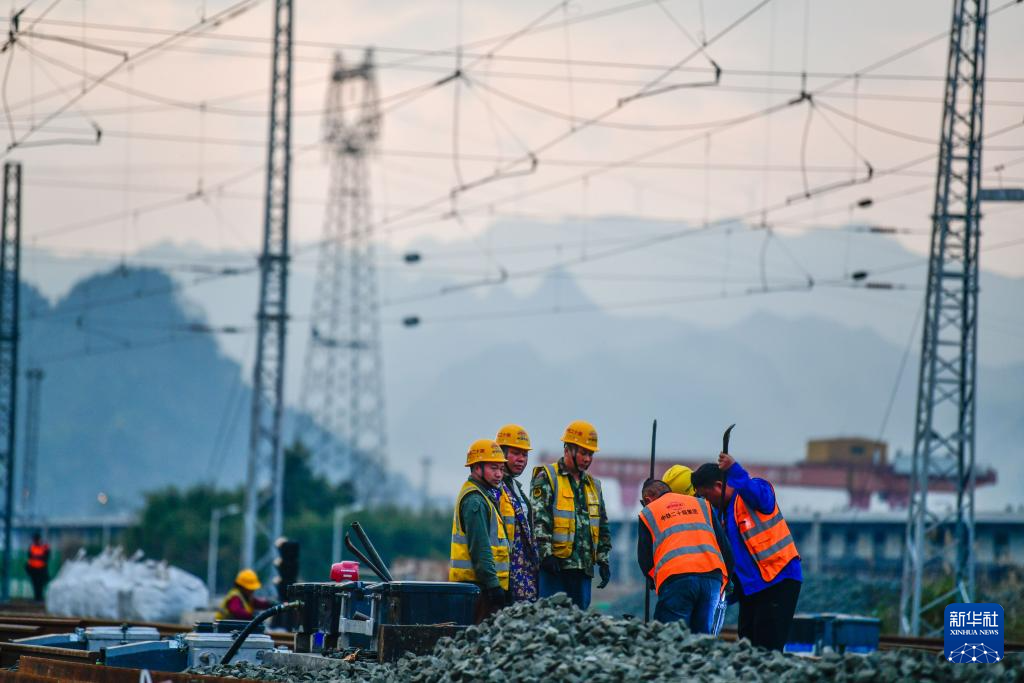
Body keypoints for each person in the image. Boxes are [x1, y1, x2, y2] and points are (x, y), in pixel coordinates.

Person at [692, 452, 802, 651]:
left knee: (767, 645)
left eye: (707, 495)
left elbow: (759, 495)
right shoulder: (720, 514)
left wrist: (734, 469)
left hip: (778, 578)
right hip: (751, 588)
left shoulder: (753, 493)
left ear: (719, 485)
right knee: (748, 644)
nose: (706, 501)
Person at [531, 420, 612, 609]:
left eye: (590, 454)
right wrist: (546, 555)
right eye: (583, 453)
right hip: (555, 569)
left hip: (583, 569)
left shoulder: (594, 485)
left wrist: (603, 559)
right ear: (567, 449)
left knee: (579, 619)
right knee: (551, 618)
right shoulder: (547, 477)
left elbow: (602, 525)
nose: (587, 459)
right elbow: (539, 519)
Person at [637, 479, 732, 632]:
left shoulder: (648, 512)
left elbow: (645, 560)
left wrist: (656, 582)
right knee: (702, 638)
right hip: (712, 578)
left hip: (676, 579)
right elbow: (725, 547)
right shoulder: (702, 504)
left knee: (671, 636)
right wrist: (726, 580)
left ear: (647, 500)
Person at [449, 438, 513, 623]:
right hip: (478, 589)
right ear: (477, 468)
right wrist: (493, 585)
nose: (499, 474)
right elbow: (480, 548)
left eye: (501, 468)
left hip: (480, 587)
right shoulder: (475, 500)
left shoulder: (483, 495)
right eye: (493, 468)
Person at [495, 424, 539, 602]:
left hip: (523, 576)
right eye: (516, 453)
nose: (521, 459)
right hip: (505, 576)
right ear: (501, 452)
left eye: (525, 454)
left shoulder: (515, 488)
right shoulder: (494, 488)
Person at [26, 532, 50, 602]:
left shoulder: (44, 547)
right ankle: (37, 598)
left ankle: (39, 597)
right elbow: (29, 557)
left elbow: (47, 556)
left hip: (41, 569)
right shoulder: (32, 547)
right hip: (33, 569)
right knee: (35, 584)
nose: (36, 541)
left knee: (40, 583)